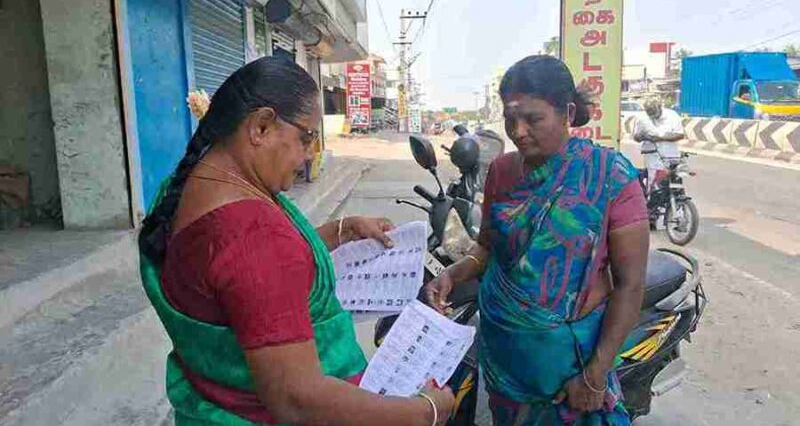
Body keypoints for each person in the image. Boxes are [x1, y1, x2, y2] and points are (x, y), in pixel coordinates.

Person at [138, 57, 454, 426]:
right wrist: (425, 412)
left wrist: (341, 230)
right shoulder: (255, 238)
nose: (308, 156)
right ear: (261, 126)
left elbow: (240, 279)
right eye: (306, 138)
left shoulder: (184, 190)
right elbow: (298, 400)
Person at [425, 55, 649, 425]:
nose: (518, 131)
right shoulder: (501, 171)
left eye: (533, 119)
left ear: (567, 113)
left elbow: (630, 284)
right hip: (504, 357)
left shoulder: (609, 175)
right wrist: (453, 274)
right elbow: (487, 248)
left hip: (570, 368)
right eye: (510, 119)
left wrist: (594, 376)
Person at [633, 99, 685, 193]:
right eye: (650, 113)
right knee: (654, 182)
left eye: (654, 112)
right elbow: (636, 137)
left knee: (675, 183)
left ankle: (676, 200)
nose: (652, 116)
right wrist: (643, 137)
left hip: (671, 155)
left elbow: (680, 135)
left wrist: (661, 138)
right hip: (652, 155)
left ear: (660, 107)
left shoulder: (672, 115)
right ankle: (652, 199)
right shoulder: (641, 118)